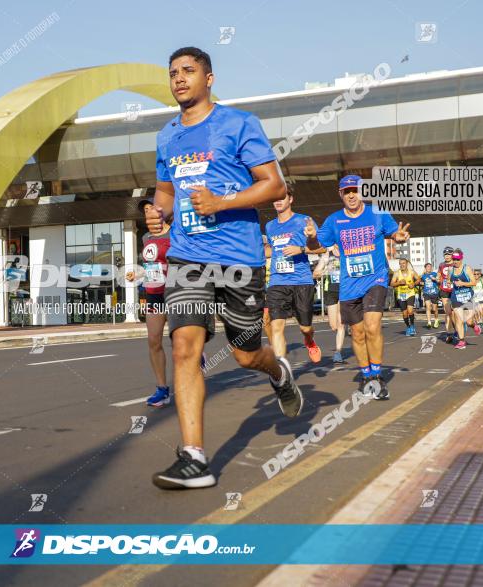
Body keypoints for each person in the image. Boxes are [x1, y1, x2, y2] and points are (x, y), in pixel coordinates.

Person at [146, 47, 301, 490]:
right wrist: (158, 213)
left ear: (209, 78)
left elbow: (274, 184)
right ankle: (194, 457)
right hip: (187, 255)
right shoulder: (167, 137)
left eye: (188, 71)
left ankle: (278, 371)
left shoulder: (238, 124)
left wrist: (222, 202)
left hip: (238, 257)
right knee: (184, 348)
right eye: (173, 73)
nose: (179, 79)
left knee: (245, 353)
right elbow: (165, 192)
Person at [304, 175, 410, 399]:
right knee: (358, 334)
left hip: (375, 279)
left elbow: (394, 233)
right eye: (347, 191)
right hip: (350, 284)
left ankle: (378, 375)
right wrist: (312, 238)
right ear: (340, 194)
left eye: (355, 190)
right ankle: (366, 376)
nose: (352, 195)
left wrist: (399, 237)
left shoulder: (378, 213)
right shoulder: (334, 221)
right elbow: (316, 246)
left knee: (372, 327)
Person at [125, 198, 172, 407]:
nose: (148, 213)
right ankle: (162, 389)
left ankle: (198, 352)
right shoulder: (145, 238)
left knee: (181, 340)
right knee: (154, 341)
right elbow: (151, 265)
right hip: (154, 293)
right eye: (145, 210)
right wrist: (138, 274)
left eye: (151, 207)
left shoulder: (176, 233)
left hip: (176, 291)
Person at [264, 193, 322, 363]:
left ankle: (309, 341)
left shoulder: (304, 221)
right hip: (277, 281)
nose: (278, 200)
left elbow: (321, 248)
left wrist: (301, 249)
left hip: (301, 281)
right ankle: (283, 370)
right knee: (276, 327)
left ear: (290, 199)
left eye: (282, 197)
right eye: (275, 197)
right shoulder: (270, 226)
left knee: (305, 328)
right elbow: (272, 250)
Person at [314, 245, 345, 363]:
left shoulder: (346, 252)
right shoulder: (328, 254)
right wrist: (323, 271)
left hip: (344, 290)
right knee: (333, 326)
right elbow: (316, 273)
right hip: (330, 291)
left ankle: (338, 352)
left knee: (341, 324)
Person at [448, 249, 480, 349]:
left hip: (468, 297)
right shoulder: (450, 269)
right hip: (456, 297)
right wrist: (449, 283)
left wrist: (462, 283)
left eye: (457, 259)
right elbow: (449, 280)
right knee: (459, 319)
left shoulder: (467, 269)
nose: (455, 261)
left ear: (461, 259)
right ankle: (461, 341)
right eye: (454, 259)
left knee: (469, 321)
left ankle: (474, 326)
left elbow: (474, 282)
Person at [391, 257, 420, 336]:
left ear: (406, 264)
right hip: (401, 295)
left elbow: (418, 279)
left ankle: (413, 326)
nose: (402, 265)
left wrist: (413, 284)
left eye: (403, 263)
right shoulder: (397, 273)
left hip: (410, 293)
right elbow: (392, 284)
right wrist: (399, 283)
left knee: (410, 311)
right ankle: (408, 327)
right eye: (400, 264)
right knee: (404, 313)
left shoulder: (412, 272)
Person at [437, 247, 455, 333]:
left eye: (449, 254)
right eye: (445, 254)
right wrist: (437, 278)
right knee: (447, 312)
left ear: (452, 255)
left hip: (455, 290)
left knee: (455, 312)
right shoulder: (441, 265)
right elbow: (439, 274)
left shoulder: (455, 264)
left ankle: (457, 327)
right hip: (444, 290)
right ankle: (449, 332)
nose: (447, 256)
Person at [420, 262, 440, 329]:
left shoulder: (434, 274)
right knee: (428, 307)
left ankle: (436, 320)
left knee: (434, 309)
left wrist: (435, 279)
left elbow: (439, 281)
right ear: (425, 268)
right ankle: (429, 322)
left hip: (434, 293)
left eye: (430, 267)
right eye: (427, 267)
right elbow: (421, 282)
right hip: (426, 293)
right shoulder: (423, 276)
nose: (429, 268)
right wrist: (421, 283)